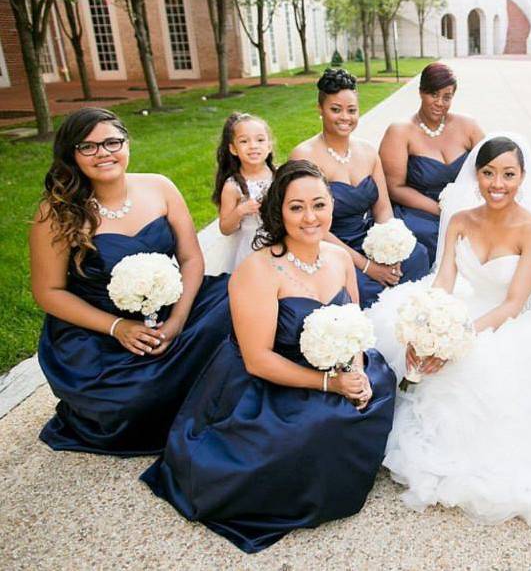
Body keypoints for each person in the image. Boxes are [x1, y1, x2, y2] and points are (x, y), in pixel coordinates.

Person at [367, 134, 531, 525]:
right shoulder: (459, 221)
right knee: (406, 343)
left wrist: (457, 337)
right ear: (476, 175)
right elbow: (443, 283)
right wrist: (429, 325)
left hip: (512, 319)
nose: (497, 184)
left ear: (523, 177)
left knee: (483, 368)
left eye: (508, 174)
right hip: (465, 307)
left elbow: (513, 304)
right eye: (488, 173)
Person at [141, 160, 396, 553]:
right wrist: (331, 383)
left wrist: (355, 369)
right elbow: (257, 359)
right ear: (278, 211)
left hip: (334, 365)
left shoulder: (339, 257)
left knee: (380, 385)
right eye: (296, 207)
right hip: (268, 378)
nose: (310, 217)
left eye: (319, 204)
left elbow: (354, 326)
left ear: (332, 205)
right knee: (315, 424)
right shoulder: (258, 271)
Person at [29, 107, 230, 456]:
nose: (103, 153)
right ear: (71, 155)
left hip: (170, 309)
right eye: (88, 147)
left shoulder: (159, 187)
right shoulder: (56, 212)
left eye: (111, 142)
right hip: (98, 330)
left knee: (234, 300)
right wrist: (119, 327)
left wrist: (178, 321)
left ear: (126, 144)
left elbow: (191, 258)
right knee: (132, 405)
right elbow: (48, 292)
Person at [290, 68, 429, 308]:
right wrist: (368, 266)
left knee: (417, 256)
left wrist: (389, 249)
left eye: (352, 110)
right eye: (336, 109)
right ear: (320, 110)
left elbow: (383, 209)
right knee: (365, 287)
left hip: (368, 238)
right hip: (327, 243)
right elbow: (311, 226)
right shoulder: (305, 156)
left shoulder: (367, 151)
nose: (345, 117)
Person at [380, 62, 484, 265]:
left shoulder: (468, 125)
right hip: (419, 210)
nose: (440, 102)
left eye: (447, 97)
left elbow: (491, 166)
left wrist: (470, 204)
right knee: (429, 233)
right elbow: (394, 188)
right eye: (433, 94)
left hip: (463, 207)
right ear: (421, 92)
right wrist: (442, 210)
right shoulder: (400, 131)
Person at [208, 112, 276, 273]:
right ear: (233, 149)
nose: (253, 146)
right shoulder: (233, 186)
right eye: (244, 141)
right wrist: (240, 211)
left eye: (260, 140)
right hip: (252, 248)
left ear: (269, 145)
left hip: (282, 243)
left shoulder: (279, 176)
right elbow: (225, 228)